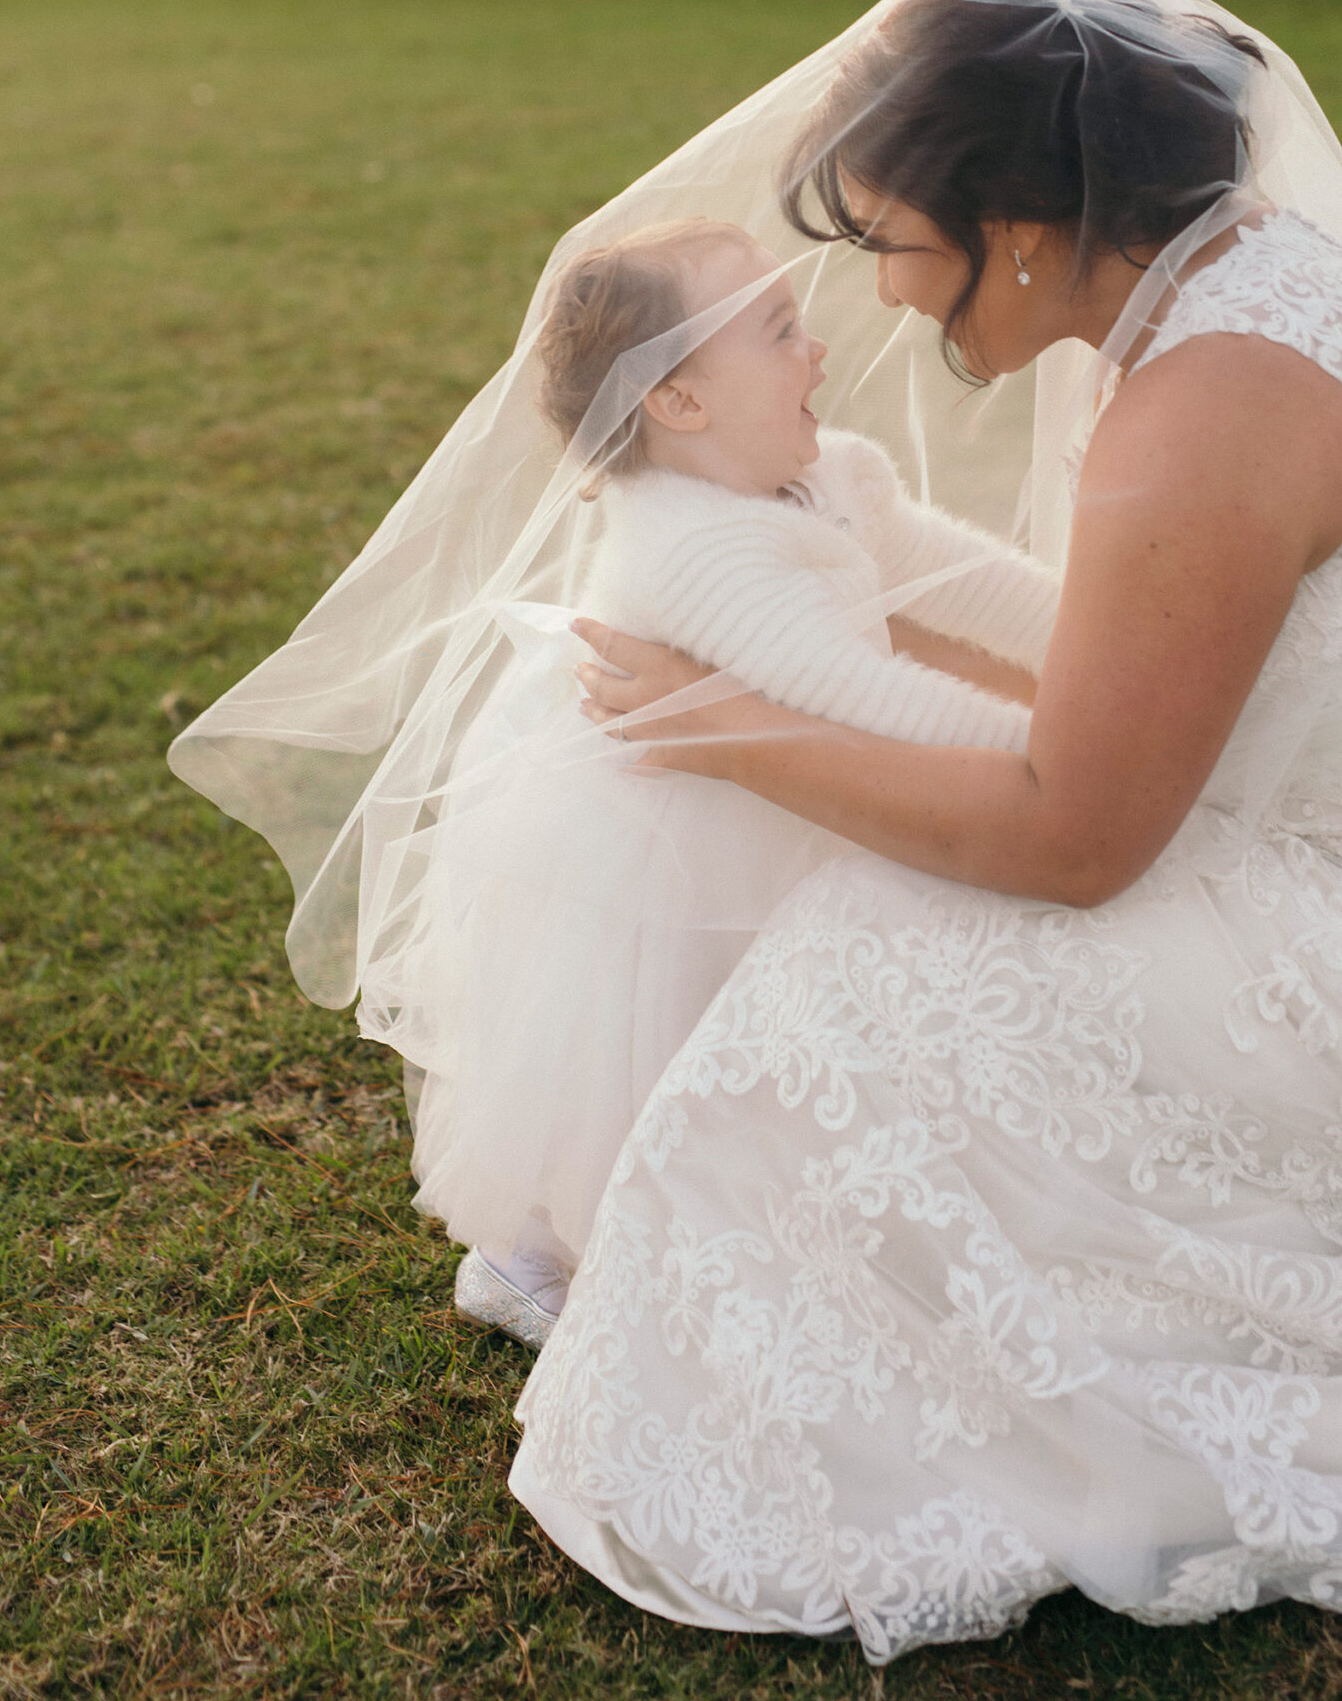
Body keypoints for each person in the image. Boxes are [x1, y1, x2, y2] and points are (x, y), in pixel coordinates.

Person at [503, 0, 1342, 1661]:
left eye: (891, 246)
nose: (879, 297)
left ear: (1019, 231)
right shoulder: (1235, 291)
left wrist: (716, 723)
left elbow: (1073, 838)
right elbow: (1083, 658)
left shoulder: (1216, 400)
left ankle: (970, 1383)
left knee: (868, 957)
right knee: (897, 934)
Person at [411, 215, 1058, 1346]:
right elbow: (879, 704)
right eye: (778, 332)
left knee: (793, 1056)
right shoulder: (698, 553)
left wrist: (1097, 652)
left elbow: (974, 583)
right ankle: (536, 1249)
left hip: (780, 809)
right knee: (659, 1061)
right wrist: (1063, 756)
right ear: (679, 401)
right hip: (672, 864)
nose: (817, 349)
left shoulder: (826, 473)